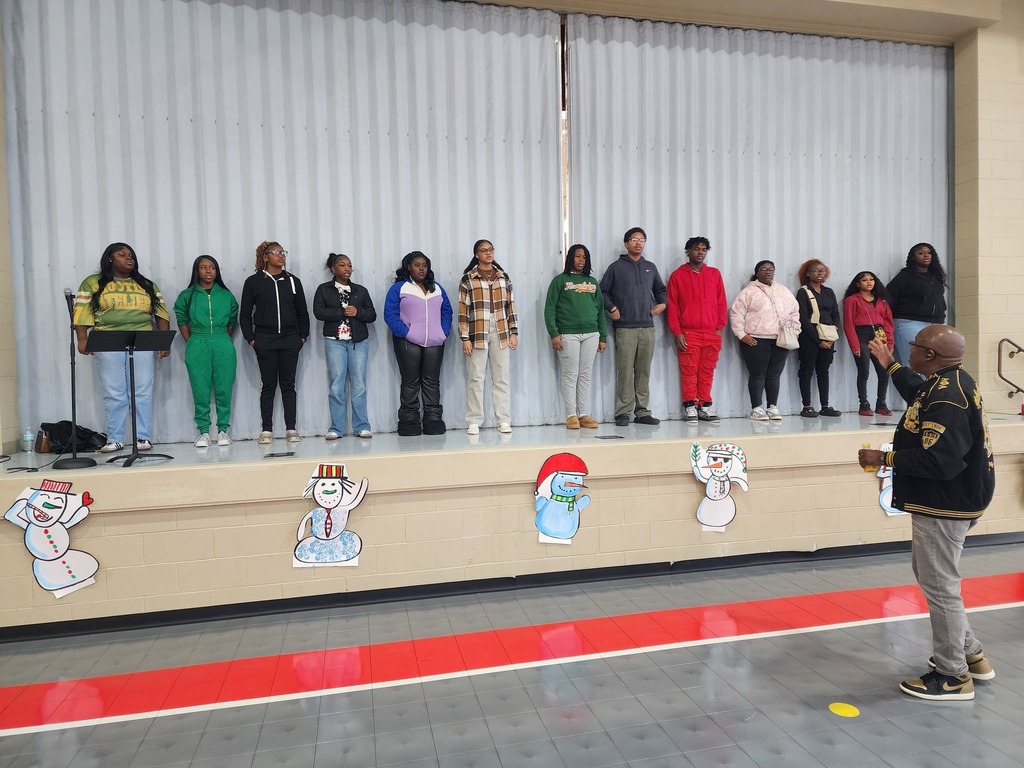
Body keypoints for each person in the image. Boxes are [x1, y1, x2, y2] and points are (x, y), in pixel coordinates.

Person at [858, 325, 995, 701]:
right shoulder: (949, 380)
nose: (910, 349)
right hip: (954, 498)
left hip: (945, 502)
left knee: (940, 586)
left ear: (930, 356)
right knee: (933, 576)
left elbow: (940, 461)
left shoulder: (948, 399)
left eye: (914, 347)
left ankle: (953, 677)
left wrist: (884, 457)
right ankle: (971, 654)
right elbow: (918, 396)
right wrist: (889, 364)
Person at [73, 242, 171, 453]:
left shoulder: (146, 284)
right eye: (122, 255)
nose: (129, 258)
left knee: (142, 390)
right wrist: (82, 338)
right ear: (110, 258)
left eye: (131, 256)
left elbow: (161, 312)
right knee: (114, 391)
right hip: (107, 338)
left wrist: (163, 340)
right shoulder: (93, 282)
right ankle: (115, 438)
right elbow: (81, 311)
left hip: (143, 338)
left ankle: (142, 438)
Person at [239, 241, 309, 445]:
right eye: (276, 252)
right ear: (265, 256)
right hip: (265, 340)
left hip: (290, 340)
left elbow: (302, 312)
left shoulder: (293, 281)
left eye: (283, 252)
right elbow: (245, 314)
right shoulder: (253, 282)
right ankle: (266, 430)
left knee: (288, 385)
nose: (281, 255)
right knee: (268, 385)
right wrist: (251, 339)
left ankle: (291, 429)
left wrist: (301, 336)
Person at [599, 227, 667, 426]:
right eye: (634, 239)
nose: (638, 243)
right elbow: (602, 292)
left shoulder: (650, 267)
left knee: (643, 370)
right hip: (625, 328)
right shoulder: (615, 267)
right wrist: (611, 308)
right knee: (625, 370)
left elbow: (660, 290)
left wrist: (662, 304)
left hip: (647, 327)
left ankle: (643, 412)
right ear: (626, 243)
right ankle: (623, 412)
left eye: (642, 239)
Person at [384, 251, 452, 436]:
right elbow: (390, 314)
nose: (421, 268)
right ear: (409, 267)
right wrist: (407, 332)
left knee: (431, 382)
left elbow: (447, 311)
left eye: (424, 265)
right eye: (417, 265)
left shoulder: (437, 288)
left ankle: (433, 420)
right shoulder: (399, 288)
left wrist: (443, 332)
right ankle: (408, 422)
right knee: (410, 382)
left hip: (434, 342)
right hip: (407, 342)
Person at [173, 255, 239, 448]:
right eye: (203, 267)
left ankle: (223, 430)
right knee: (200, 388)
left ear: (217, 271)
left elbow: (231, 321)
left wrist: (221, 337)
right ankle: (203, 432)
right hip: (197, 342)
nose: (208, 271)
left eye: (212, 267)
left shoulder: (226, 295)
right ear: (197, 271)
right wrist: (192, 340)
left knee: (224, 387)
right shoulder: (187, 295)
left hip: (222, 342)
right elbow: (182, 320)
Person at [313, 253, 377, 440]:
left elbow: (372, 314)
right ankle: (336, 428)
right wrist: (341, 311)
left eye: (349, 265)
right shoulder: (324, 289)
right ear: (333, 268)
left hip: (358, 342)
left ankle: (362, 426)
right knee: (336, 384)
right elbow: (318, 312)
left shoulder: (361, 290)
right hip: (334, 341)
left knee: (359, 384)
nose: (347, 269)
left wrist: (358, 312)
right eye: (342, 265)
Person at [544, 244, 607, 429]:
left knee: (585, 374)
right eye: (578, 256)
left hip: (591, 333)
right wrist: (554, 333)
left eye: (584, 257)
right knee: (570, 374)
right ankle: (571, 415)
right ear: (570, 258)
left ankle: (584, 414)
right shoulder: (560, 281)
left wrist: (602, 336)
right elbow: (550, 308)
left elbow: (600, 310)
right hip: (567, 334)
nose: (581, 260)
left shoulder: (592, 282)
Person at [459, 240, 518, 435]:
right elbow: (463, 310)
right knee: (476, 377)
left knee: (501, 377)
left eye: (491, 250)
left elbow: (511, 306)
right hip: (478, 329)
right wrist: (464, 337)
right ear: (476, 254)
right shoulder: (468, 278)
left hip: (500, 330)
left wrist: (514, 332)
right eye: (484, 251)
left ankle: (503, 419)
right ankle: (474, 420)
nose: (488, 253)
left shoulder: (503, 277)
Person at [666, 236, 727, 422]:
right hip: (688, 333)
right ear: (688, 251)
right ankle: (690, 406)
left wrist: (719, 328)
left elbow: (721, 302)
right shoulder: (677, 275)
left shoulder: (714, 274)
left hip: (711, 333)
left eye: (703, 249)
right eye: (696, 249)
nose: (700, 252)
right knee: (689, 371)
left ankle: (705, 406)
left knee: (707, 371)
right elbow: (673, 306)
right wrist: (677, 332)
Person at [729, 260, 800, 421]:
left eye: (771, 269)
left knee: (775, 375)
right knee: (757, 374)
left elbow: (794, 312)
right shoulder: (748, 292)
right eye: (763, 269)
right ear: (757, 272)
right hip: (755, 339)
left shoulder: (783, 291)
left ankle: (772, 407)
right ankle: (756, 408)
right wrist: (741, 334)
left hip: (780, 339)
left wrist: (795, 331)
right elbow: (736, 314)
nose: (768, 272)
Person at [842, 271, 895, 417]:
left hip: (879, 336)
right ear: (858, 284)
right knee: (864, 371)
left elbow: (889, 324)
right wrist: (855, 345)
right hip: (861, 335)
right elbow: (849, 325)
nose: (869, 282)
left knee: (884, 371)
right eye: (864, 280)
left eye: (871, 279)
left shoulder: (882, 301)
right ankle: (864, 404)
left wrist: (890, 343)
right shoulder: (852, 300)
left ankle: (881, 404)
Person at [886, 243, 947, 367]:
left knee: (932, 365)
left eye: (929, 253)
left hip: (934, 325)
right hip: (909, 323)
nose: (926, 256)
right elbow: (889, 299)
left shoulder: (935, 277)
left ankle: (926, 387)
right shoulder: (905, 276)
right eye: (921, 253)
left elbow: (939, 299)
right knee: (914, 365)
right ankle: (914, 387)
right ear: (913, 257)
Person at [795, 259, 841, 418]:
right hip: (810, 337)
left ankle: (825, 406)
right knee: (806, 371)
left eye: (822, 271)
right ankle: (807, 406)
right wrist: (818, 340)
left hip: (828, 335)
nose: (819, 273)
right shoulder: (803, 292)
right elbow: (803, 318)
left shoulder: (829, 292)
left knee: (823, 371)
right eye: (816, 271)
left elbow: (835, 313)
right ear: (808, 273)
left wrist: (832, 334)